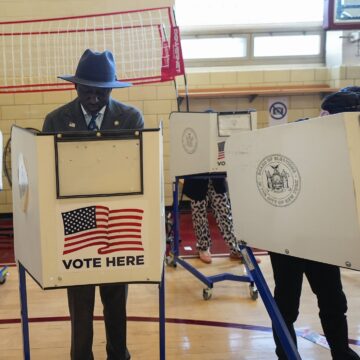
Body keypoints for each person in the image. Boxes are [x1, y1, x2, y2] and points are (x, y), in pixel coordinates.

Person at [43, 49, 144, 360]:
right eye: (86, 89)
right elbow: (48, 179)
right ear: (75, 87)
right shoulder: (56, 120)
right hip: (76, 222)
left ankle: (118, 354)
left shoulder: (130, 118)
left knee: (116, 301)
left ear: (111, 89)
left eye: (100, 91)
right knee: (81, 303)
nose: (92, 98)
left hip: (117, 221)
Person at [270, 87, 360, 360]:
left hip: (321, 235)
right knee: (286, 305)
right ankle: (286, 355)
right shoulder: (292, 138)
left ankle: (341, 352)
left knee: (333, 299)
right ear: (325, 115)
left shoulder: (348, 143)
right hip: (287, 235)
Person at [182, 176, 261, 264]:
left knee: (225, 214)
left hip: (216, 177)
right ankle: (203, 247)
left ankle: (236, 249)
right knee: (199, 215)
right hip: (197, 178)